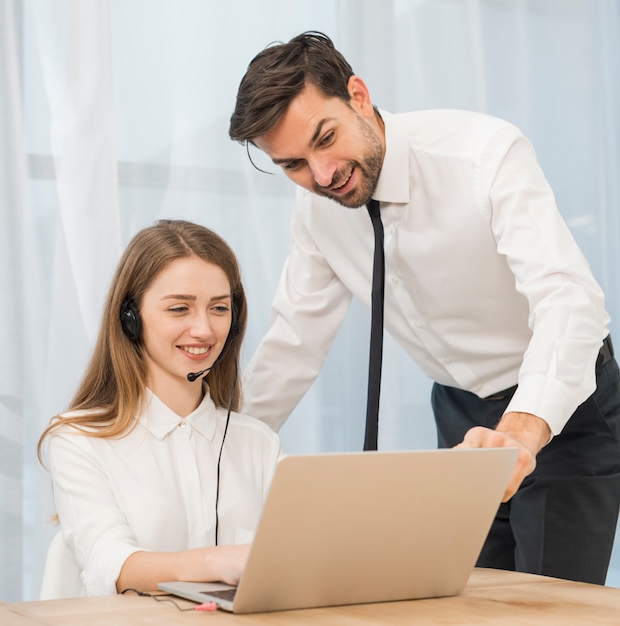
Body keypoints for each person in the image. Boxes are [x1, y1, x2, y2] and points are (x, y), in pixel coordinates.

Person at [228, 31, 620, 585]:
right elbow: (293, 344)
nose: (321, 176)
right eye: (293, 163)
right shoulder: (316, 212)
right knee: (464, 600)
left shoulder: (484, 154)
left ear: (358, 95)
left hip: (562, 404)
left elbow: (569, 299)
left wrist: (520, 431)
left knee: (547, 604)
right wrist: (217, 447)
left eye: (326, 138)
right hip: (461, 415)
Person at [38, 219, 283, 596]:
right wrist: (216, 562)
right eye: (179, 309)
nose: (203, 329)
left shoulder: (258, 444)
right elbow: (110, 562)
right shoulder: (78, 440)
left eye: (218, 308)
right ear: (131, 319)